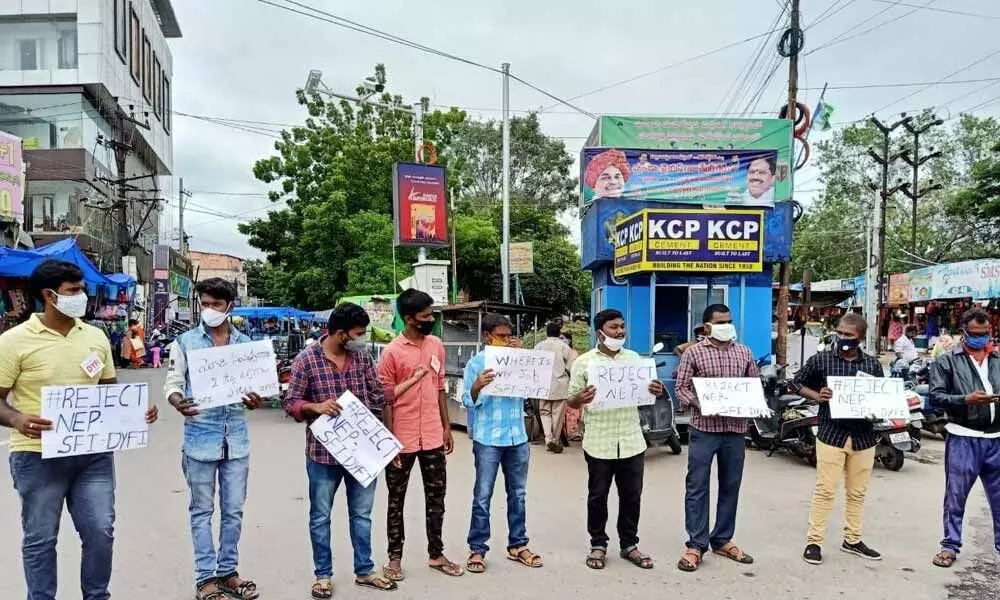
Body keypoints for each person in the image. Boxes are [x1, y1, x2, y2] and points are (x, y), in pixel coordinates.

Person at [0, 259, 158, 600]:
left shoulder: (96, 337)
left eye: (81, 289)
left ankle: (97, 595)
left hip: (92, 456)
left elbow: (110, 394)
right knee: (41, 538)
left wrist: (134, 411)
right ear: (49, 295)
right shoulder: (14, 341)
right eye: (74, 291)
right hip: (37, 456)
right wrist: (16, 419)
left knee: (100, 530)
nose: (82, 296)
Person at [282, 303, 397, 596]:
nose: (361, 338)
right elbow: (291, 403)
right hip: (322, 456)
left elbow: (377, 395)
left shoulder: (362, 358)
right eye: (358, 333)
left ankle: (365, 570)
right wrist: (314, 406)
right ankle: (323, 575)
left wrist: (387, 439)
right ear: (340, 333)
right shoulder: (307, 360)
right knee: (320, 516)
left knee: (362, 514)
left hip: (363, 453)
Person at [164, 278, 265, 600]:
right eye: (204, 304)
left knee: (233, 510)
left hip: (235, 438)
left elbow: (257, 389)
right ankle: (205, 578)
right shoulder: (184, 343)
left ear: (229, 307)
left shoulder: (246, 345)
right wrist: (178, 401)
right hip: (200, 438)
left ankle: (228, 572)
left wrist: (256, 400)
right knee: (202, 510)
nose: (209, 310)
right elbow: (172, 383)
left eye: (216, 305)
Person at [567, 309, 663, 571]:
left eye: (622, 327)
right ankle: (598, 543)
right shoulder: (584, 362)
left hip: (631, 439)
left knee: (632, 496)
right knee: (598, 495)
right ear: (600, 332)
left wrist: (657, 389)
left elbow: (649, 393)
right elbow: (571, 399)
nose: (620, 332)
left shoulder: (635, 360)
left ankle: (629, 545)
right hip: (599, 439)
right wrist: (580, 399)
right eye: (614, 327)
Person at [378, 289, 462, 580]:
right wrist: (388, 443)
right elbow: (385, 399)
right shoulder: (391, 352)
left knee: (437, 497)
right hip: (400, 438)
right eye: (425, 316)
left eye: (431, 315)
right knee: (395, 500)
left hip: (433, 436)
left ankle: (436, 554)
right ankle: (395, 557)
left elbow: (439, 387)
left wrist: (446, 425)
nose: (431, 320)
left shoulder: (436, 345)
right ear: (409, 319)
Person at [794, 313, 885, 565]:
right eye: (840, 333)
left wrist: (881, 408)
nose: (843, 338)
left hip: (864, 437)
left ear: (860, 338)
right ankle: (814, 542)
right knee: (825, 490)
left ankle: (852, 539)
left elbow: (882, 396)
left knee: (857, 492)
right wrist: (816, 395)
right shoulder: (822, 360)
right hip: (831, 434)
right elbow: (796, 382)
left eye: (849, 335)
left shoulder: (872, 365)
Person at [674, 304, 759, 572]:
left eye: (730, 321)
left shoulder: (744, 353)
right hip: (704, 429)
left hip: (735, 431)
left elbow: (753, 387)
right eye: (721, 322)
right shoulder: (694, 353)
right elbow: (682, 388)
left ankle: (722, 539)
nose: (727, 326)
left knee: (730, 485)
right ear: (708, 326)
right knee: (697, 486)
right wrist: (702, 404)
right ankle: (695, 544)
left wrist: (755, 404)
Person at [462, 313, 543, 573]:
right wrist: (477, 386)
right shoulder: (476, 363)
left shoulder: (519, 360)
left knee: (518, 494)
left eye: (510, 336)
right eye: (501, 336)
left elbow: (534, 389)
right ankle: (477, 548)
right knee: (482, 495)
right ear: (488, 336)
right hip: (488, 438)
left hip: (517, 436)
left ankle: (518, 545)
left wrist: (527, 361)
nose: (507, 340)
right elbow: (467, 400)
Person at [929, 308, 1000, 568]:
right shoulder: (947, 361)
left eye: (985, 334)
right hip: (963, 437)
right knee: (956, 495)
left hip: (996, 438)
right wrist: (965, 400)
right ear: (964, 333)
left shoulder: (996, 359)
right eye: (975, 334)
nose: (981, 339)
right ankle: (950, 545)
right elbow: (936, 397)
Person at [533, 320, 577, 453]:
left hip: (543, 385)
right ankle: (555, 440)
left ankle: (548, 439)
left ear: (547, 333)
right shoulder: (564, 347)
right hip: (560, 384)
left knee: (544, 413)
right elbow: (571, 367)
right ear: (559, 333)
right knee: (557, 415)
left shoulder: (539, 346)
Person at [561, 331, 584, 442]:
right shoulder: (560, 351)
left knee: (573, 409)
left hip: (572, 382)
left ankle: (573, 431)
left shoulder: (573, 353)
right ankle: (565, 432)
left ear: (569, 340)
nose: (561, 340)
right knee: (564, 409)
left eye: (562, 338)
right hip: (562, 383)